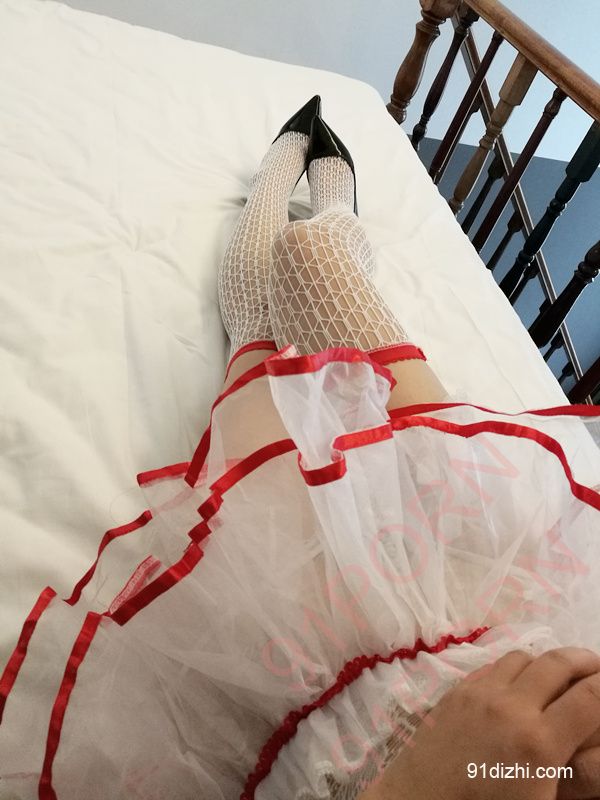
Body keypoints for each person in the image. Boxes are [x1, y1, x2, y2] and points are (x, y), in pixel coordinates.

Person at [0, 95, 599, 800]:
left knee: (255, 348)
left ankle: (277, 181)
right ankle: (329, 198)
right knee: (309, 255)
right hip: (500, 602)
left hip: (312, 727)